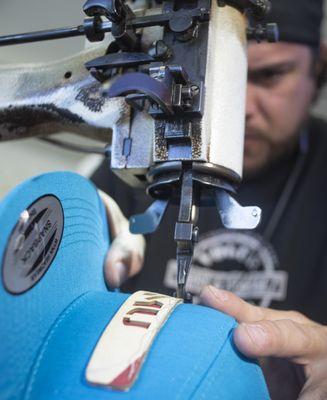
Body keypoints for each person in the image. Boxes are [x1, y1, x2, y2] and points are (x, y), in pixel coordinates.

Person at [93, 0, 327, 398]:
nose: (240, 108)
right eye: (216, 82)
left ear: (319, 66)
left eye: (270, 76)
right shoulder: (136, 160)